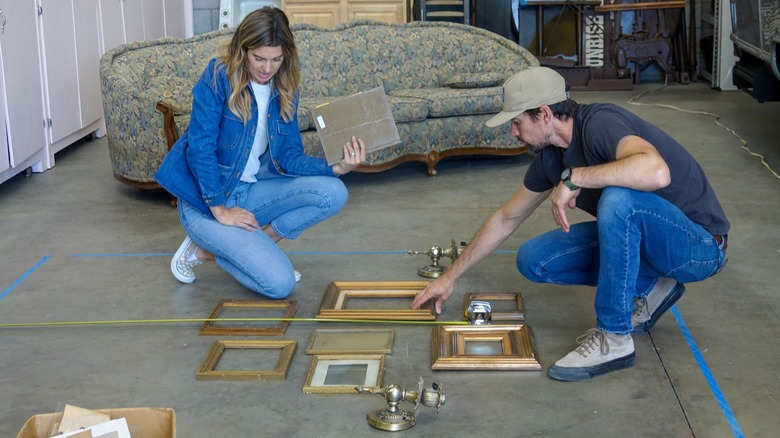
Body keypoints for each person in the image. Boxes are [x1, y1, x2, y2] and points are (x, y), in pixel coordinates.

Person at [411, 67, 729, 381]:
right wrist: (450, 277)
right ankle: (652, 287)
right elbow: (506, 218)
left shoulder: (600, 123)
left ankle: (614, 337)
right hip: (652, 243)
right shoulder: (550, 158)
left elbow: (656, 171)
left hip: (699, 245)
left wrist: (576, 177)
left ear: (545, 114)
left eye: (517, 122)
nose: (513, 133)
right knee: (535, 259)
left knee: (619, 201)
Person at [154, 7, 366, 299]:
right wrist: (220, 210)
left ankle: (238, 248)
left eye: (276, 59)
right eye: (259, 58)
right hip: (205, 202)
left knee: (335, 191)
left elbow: (289, 155)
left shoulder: (285, 85)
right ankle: (208, 247)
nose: (267, 68)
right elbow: (199, 148)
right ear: (243, 50)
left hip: (250, 192)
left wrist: (338, 167)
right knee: (279, 285)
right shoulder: (218, 75)